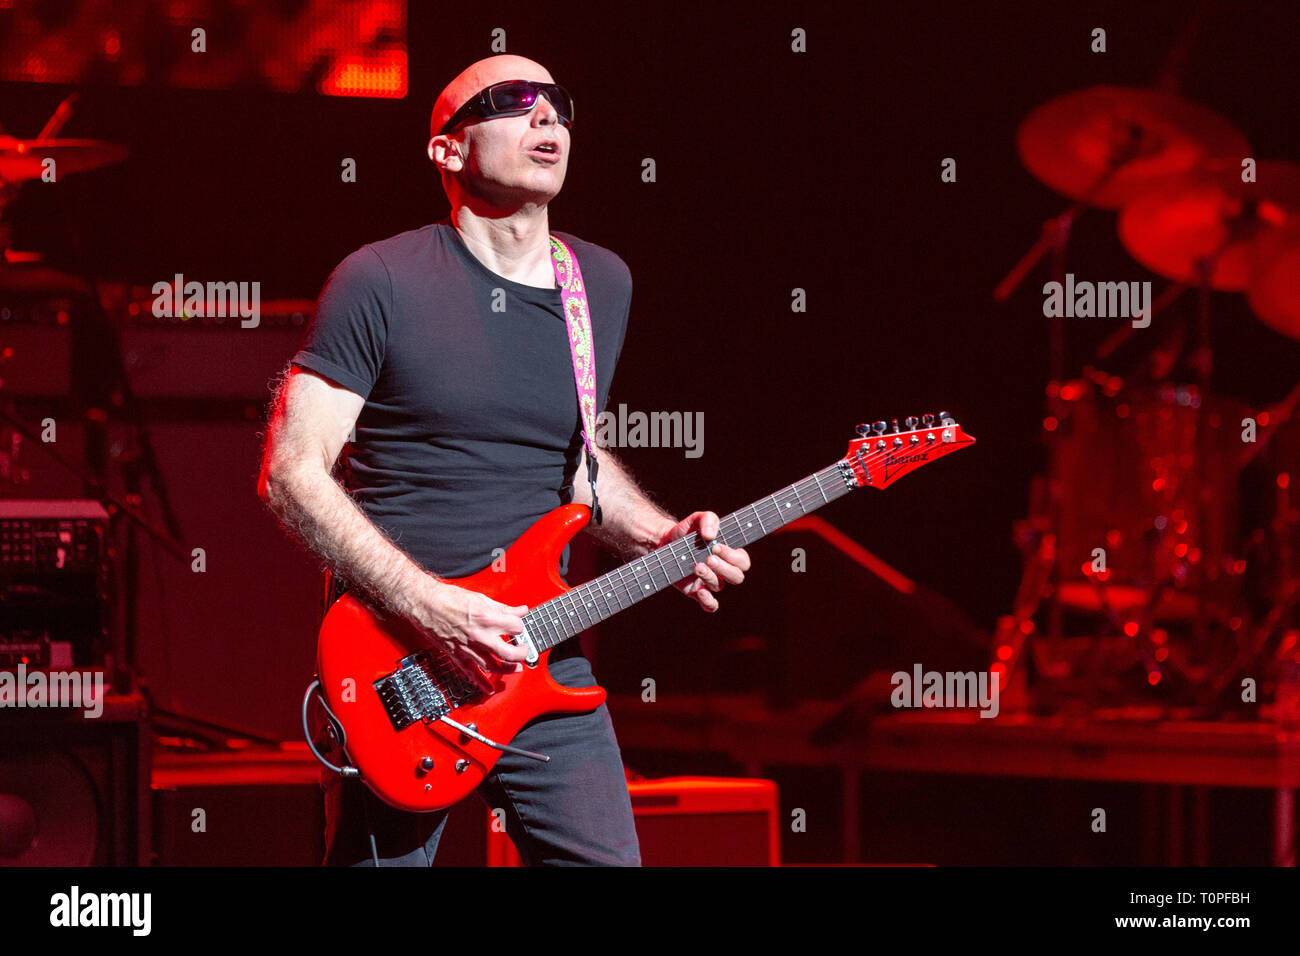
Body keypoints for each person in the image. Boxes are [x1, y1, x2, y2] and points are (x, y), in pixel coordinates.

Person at [257, 54, 751, 866]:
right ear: (447, 151)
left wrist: (663, 539)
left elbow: (578, 469)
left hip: (543, 656)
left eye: (558, 103)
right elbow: (290, 471)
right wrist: (430, 607)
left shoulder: (600, 283)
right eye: (513, 102)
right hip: (401, 664)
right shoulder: (379, 280)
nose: (546, 118)